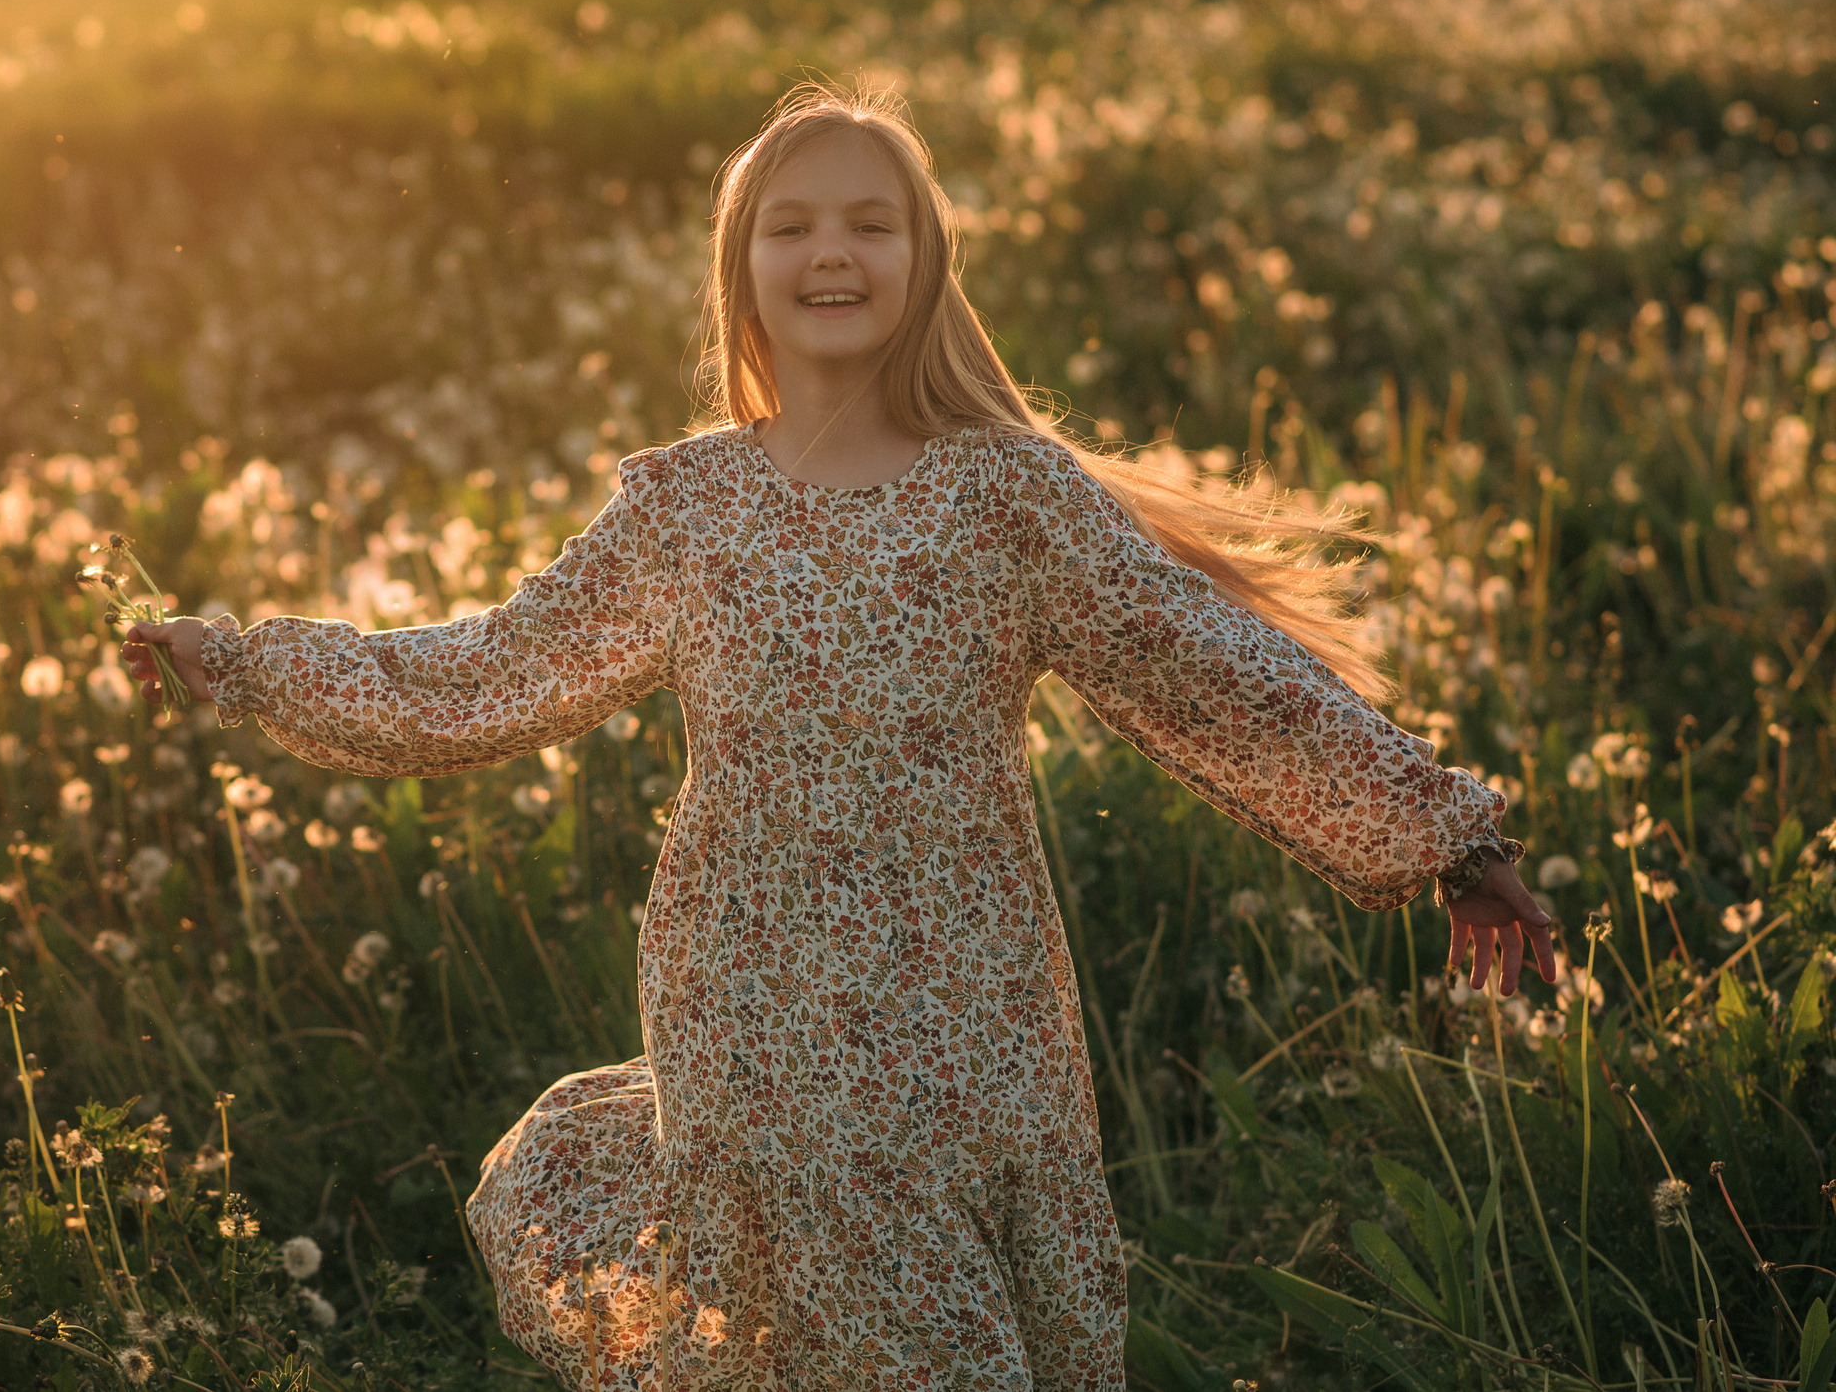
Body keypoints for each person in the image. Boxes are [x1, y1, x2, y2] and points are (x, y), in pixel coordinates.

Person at [125, 86, 1557, 1390]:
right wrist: (245, 657)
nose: (833, 251)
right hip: (756, 1007)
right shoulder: (683, 509)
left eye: (873, 223)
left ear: (925, 262)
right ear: (741, 267)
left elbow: (1213, 673)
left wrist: (1445, 835)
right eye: (792, 224)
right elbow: (486, 672)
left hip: (978, 1010)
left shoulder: (1011, 495)